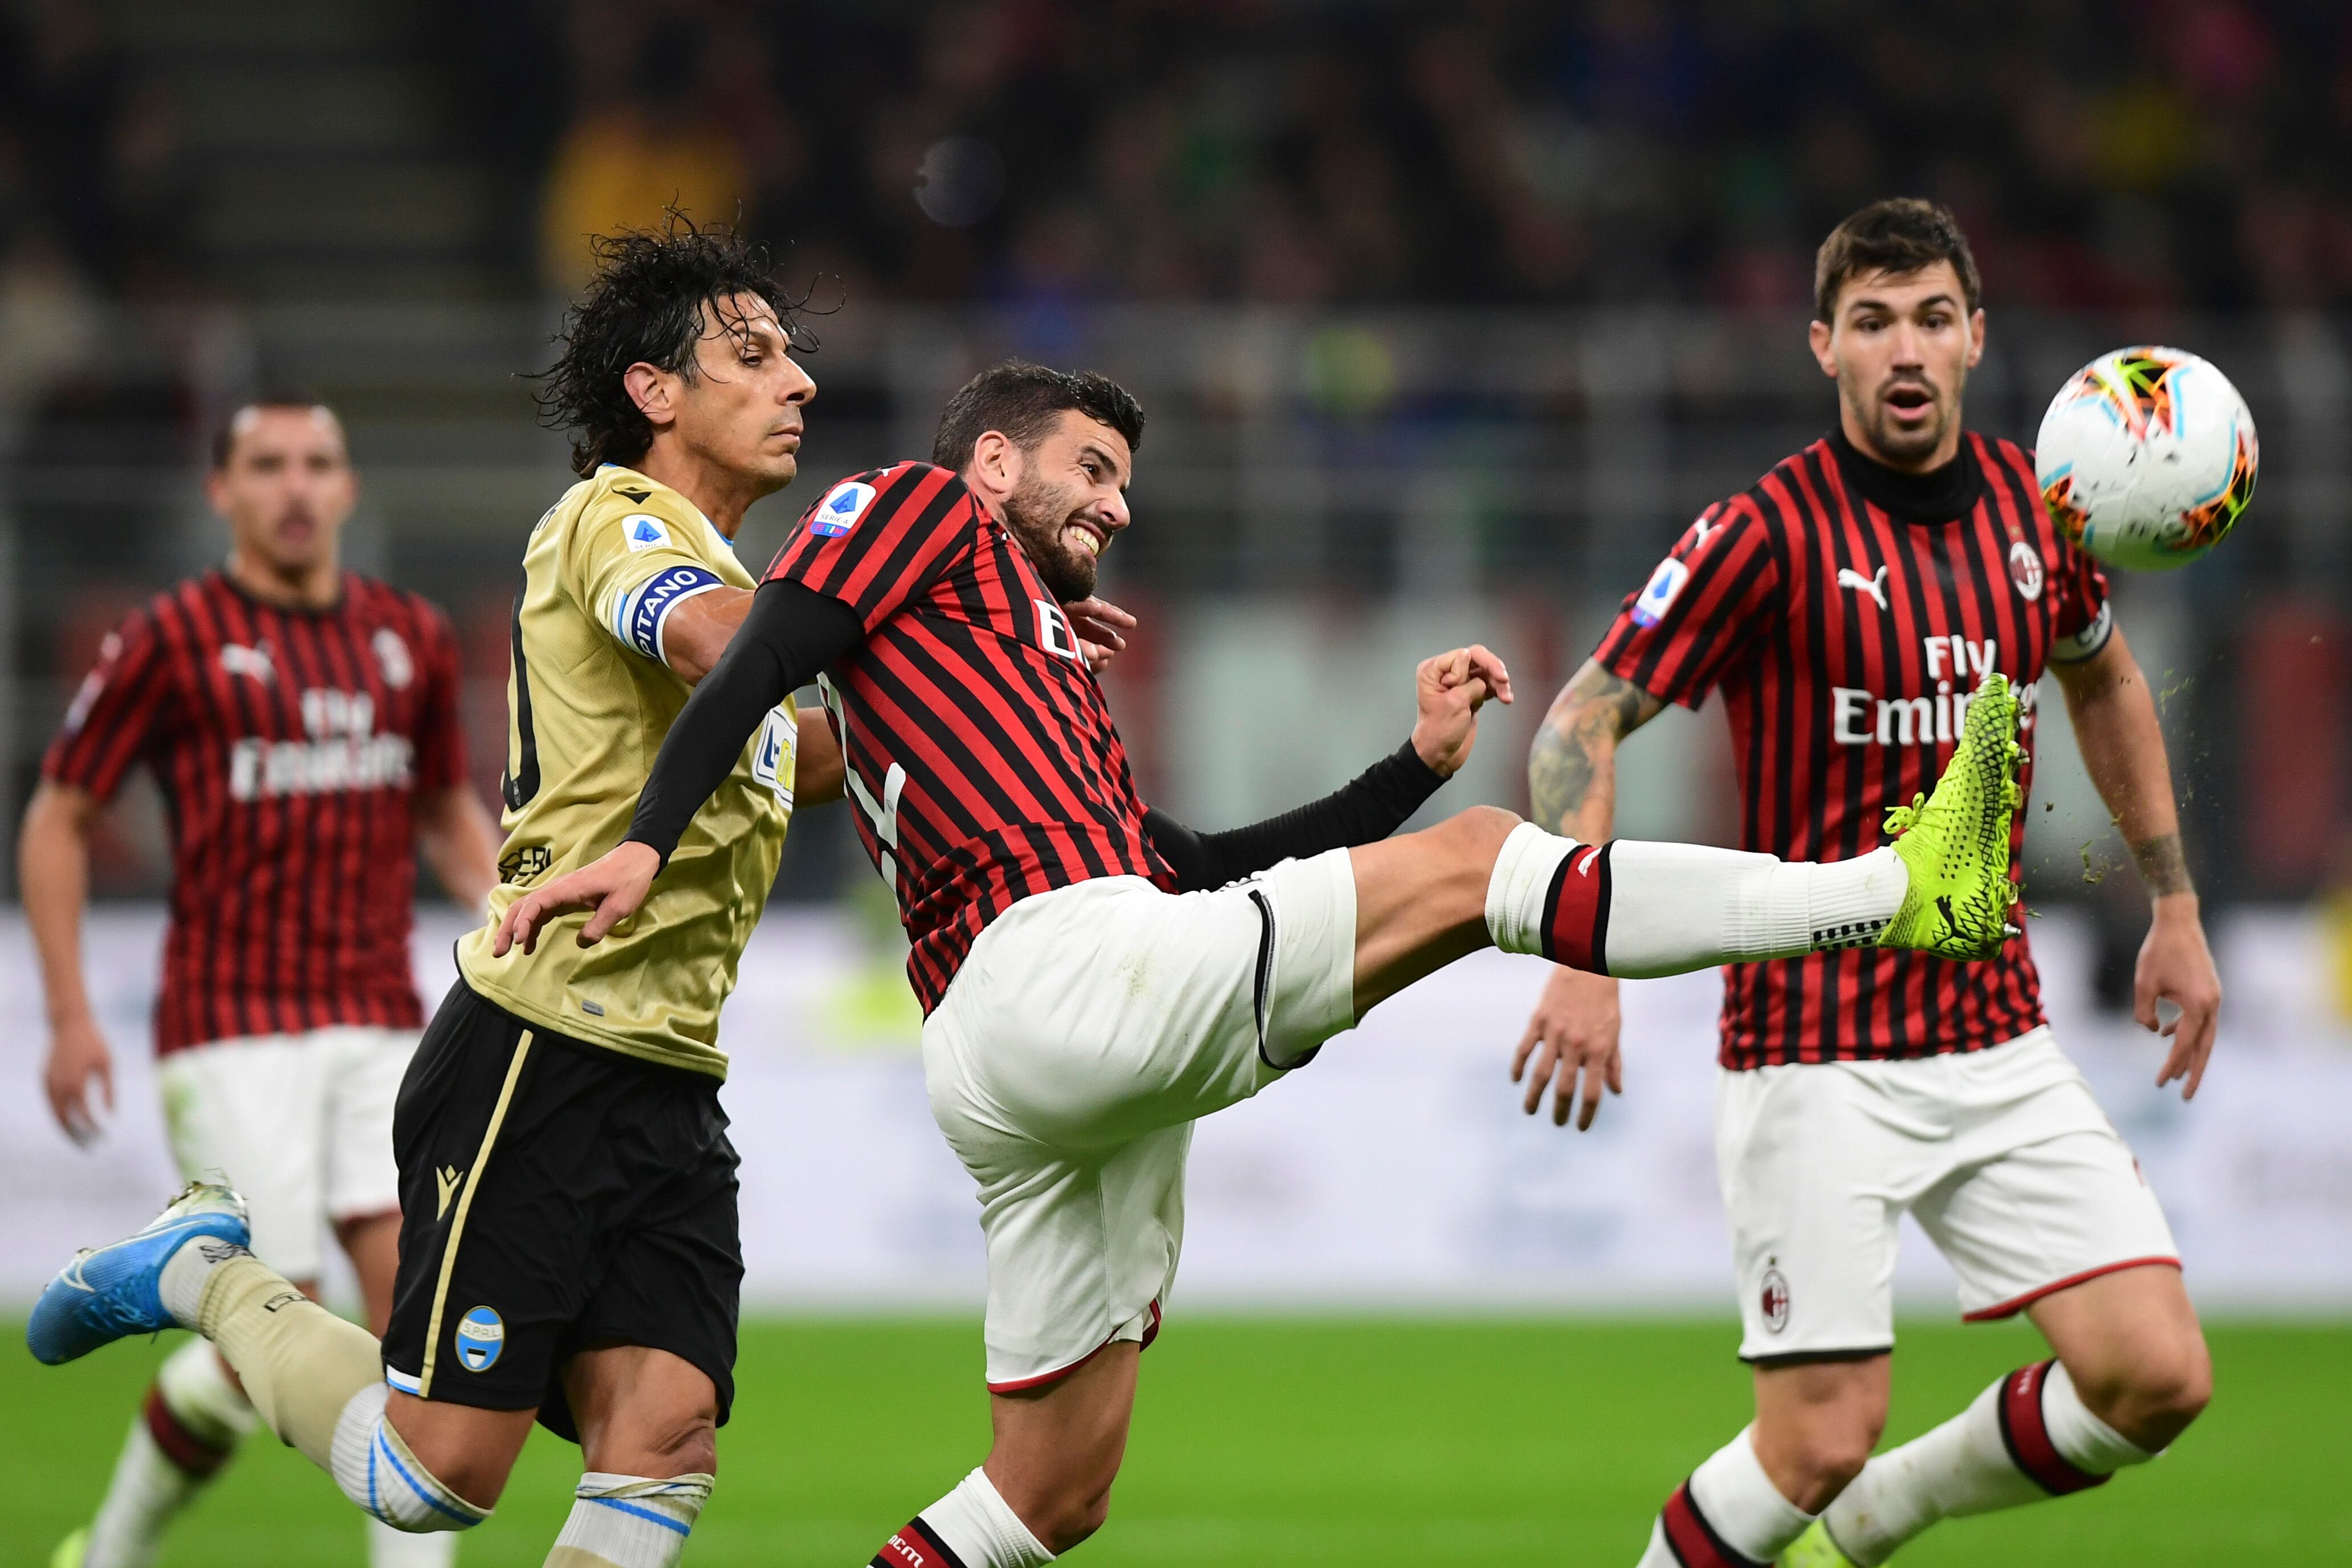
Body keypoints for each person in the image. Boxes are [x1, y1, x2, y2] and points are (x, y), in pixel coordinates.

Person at [488, 358, 2027, 1567]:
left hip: (1043, 1019)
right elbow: (764, 651)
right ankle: (1890, 890)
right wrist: (645, 837)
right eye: (1091, 468)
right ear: (993, 464)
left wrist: (1407, 767)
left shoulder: (1031, 669)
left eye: (1125, 480)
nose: (1117, 505)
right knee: (1484, 863)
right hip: (1052, 977)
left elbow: (1197, 868)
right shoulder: (911, 506)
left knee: (1050, 1489)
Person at [1508, 199, 2221, 1568]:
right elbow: (1578, 720)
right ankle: (1835, 1495)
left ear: (1973, 340)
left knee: (2154, 1375)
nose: (1905, 347)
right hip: (1812, 1047)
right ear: (1822, 344)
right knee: (1814, 1437)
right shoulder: (1761, 533)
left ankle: (1877, 1517)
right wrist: (1580, 954)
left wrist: (2173, 904)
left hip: (1993, 1030)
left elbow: (2103, 678)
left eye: (1931, 318)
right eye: (1874, 320)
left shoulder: (2040, 508)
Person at [21, 393, 500, 1568]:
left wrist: (508, 916)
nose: (295, 486)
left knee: (415, 1325)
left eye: (317, 463)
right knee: (266, 1332)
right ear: (221, 492)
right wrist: (71, 1015)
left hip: (381, 1018)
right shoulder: (171, 636)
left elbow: (443, 807)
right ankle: (111, 1550)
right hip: (231, 1021)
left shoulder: (407, 635)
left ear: (347, 488)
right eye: (268, 464)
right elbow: (59, 814)